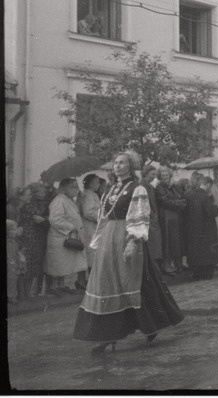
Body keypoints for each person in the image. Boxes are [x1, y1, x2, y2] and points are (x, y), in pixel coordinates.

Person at [73, 151, 183, 355]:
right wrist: (99, 240)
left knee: (135, 282)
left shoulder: (137, 188)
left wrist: (133, 241)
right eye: (116, 162)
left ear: (131, 166)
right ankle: (109, 335)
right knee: (107, 283)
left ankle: (150, 324)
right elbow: (103, 217)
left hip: (127, 237)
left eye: (122, 163)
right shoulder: (110, 189)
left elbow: (140, 215)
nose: (118, 166)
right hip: (109, 239)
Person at [44, 178, 88, 296]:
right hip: (60, 237)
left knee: (64, 263)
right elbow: (55, 219)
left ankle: (62, 285)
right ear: (64, 188)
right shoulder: (59, 201)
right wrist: (71, 227)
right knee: (58, 262)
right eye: (73, 187)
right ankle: (54, 286)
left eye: (76, 187)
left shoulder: (67, 200)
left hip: (65, 236)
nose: (76, 189)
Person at [17, 183, 52, 298]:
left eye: (44, 192)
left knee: (34, 266)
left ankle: (30, 293)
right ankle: (24, 294)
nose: (44, 194)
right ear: (34, 193)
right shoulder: (27, 205)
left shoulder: (44, 204)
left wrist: (44, 220)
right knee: (26, 266)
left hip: (37, 238)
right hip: (28, 238)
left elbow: (48, 220)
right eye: (40, 192)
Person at [184, 176, 218, 280]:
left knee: (196, 252)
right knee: (207, 252)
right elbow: (213, 212)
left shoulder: (189, 195)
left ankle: (197, 273)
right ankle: (207, 274)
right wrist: (216, 206)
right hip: (207, 228)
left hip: (193, 228)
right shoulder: (206, 196)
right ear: (208, 185)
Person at [155, 167, 186, 274]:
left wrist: (178, 202)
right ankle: (167, 265)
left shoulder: (174, 186)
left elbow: (183, 198)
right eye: (163, 175)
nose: (165, 177)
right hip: (166, 218)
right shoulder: (159, 188)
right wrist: (179, 203)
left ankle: (179, 264)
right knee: (168, 241)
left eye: (166, 175)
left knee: (178, 241)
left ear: (170, 175)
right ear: (160, 177)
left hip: (177, 217)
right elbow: (165, 202)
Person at [140, 164, 164, 274]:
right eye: (152, 174)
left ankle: (155, 267)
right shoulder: (142, 186)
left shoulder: (149, 186)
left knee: (154, 244)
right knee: (151, 244)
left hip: (153, 218)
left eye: (155, 174)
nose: (154, 177)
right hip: (149, 218)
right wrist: (151, 214)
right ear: (146, 173)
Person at [8, 219, 25, 304]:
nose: (16, 232)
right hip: (10, 266)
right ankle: (11, 297)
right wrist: (12, 265)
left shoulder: (14, 243)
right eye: (13, 230)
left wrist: (19, 264)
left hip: (13, 266)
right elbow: (10, 257)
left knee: (13, 282)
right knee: (11, 281)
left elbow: (16, 255)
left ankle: (12, 297)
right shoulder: (9, 244)